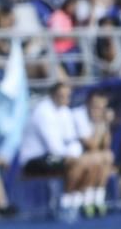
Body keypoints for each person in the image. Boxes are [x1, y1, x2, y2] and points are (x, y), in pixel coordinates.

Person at [18, 83, 114, 220]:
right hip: (35, 159)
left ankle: (80, 201)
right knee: (81, 161)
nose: (66, 98)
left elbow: (72, 140)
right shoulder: (43, 113)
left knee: (95, 159)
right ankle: (67, 204)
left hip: (57, 155)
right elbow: (55, 148)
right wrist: (78, 155)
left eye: (68, 95)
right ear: (53, 95)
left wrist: (78, 154)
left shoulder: (65, 112)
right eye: (62, 95)